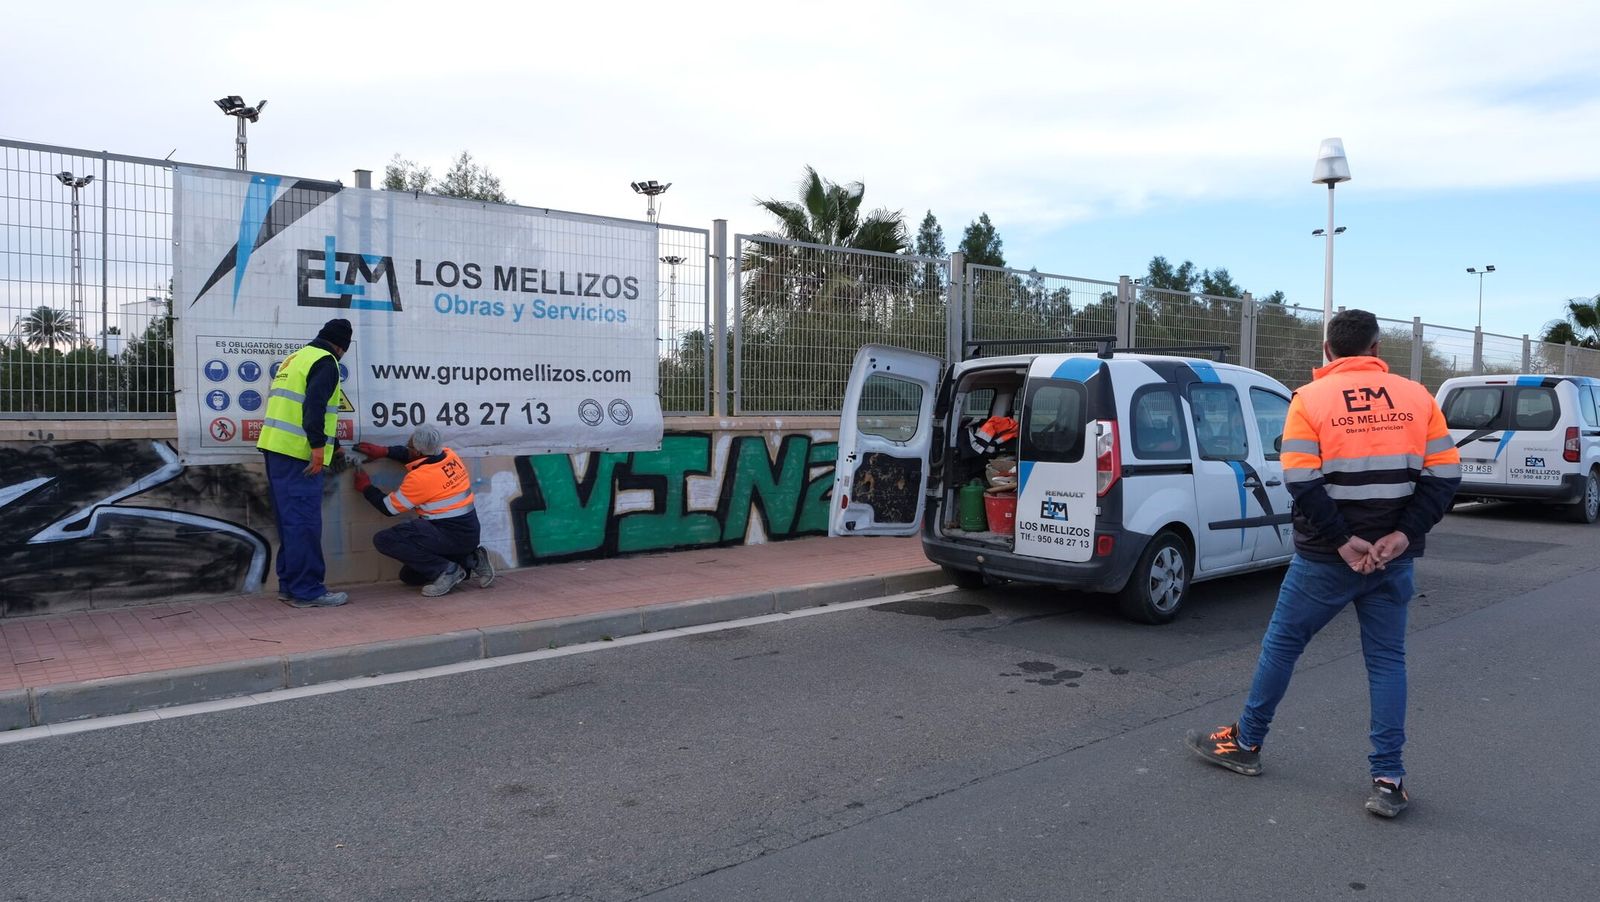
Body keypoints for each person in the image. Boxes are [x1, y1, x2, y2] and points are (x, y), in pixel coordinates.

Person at [1184, 309, 1461, 818]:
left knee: (1283, 647)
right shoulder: (1419, 398)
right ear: (1376, 350)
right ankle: (1388, 780)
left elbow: (1301, 480)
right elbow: (1445, 478)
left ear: (1328, 350)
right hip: (1391, 561)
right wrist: (1401, 535)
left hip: (1325, 559)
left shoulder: (1308, 400)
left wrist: (1342, 542)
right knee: (1386, 661)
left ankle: (1246, 743)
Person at [257, 318, 353, 608]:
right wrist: (317, 448)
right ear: (341, 346)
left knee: (291, 522)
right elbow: (313, 407)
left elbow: (298, 407)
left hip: (276, 450)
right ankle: (308, 590)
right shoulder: (326, 362)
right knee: (304, 523)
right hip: (298, 454)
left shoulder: (295, 358)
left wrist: (333, 445)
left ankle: (290, 585)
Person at [352, 425, 495, 597]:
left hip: (448, 533)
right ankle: (471, 559)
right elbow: (414, 457)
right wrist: (385, 451)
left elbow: (388, 508)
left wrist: (366, 487)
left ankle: (448, 571)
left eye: (410, 445)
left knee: (384, 540)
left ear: (418, 452)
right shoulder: (449, 455)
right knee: (410, 576)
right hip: (468, 533)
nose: (407, 447)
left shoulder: (420, 478)